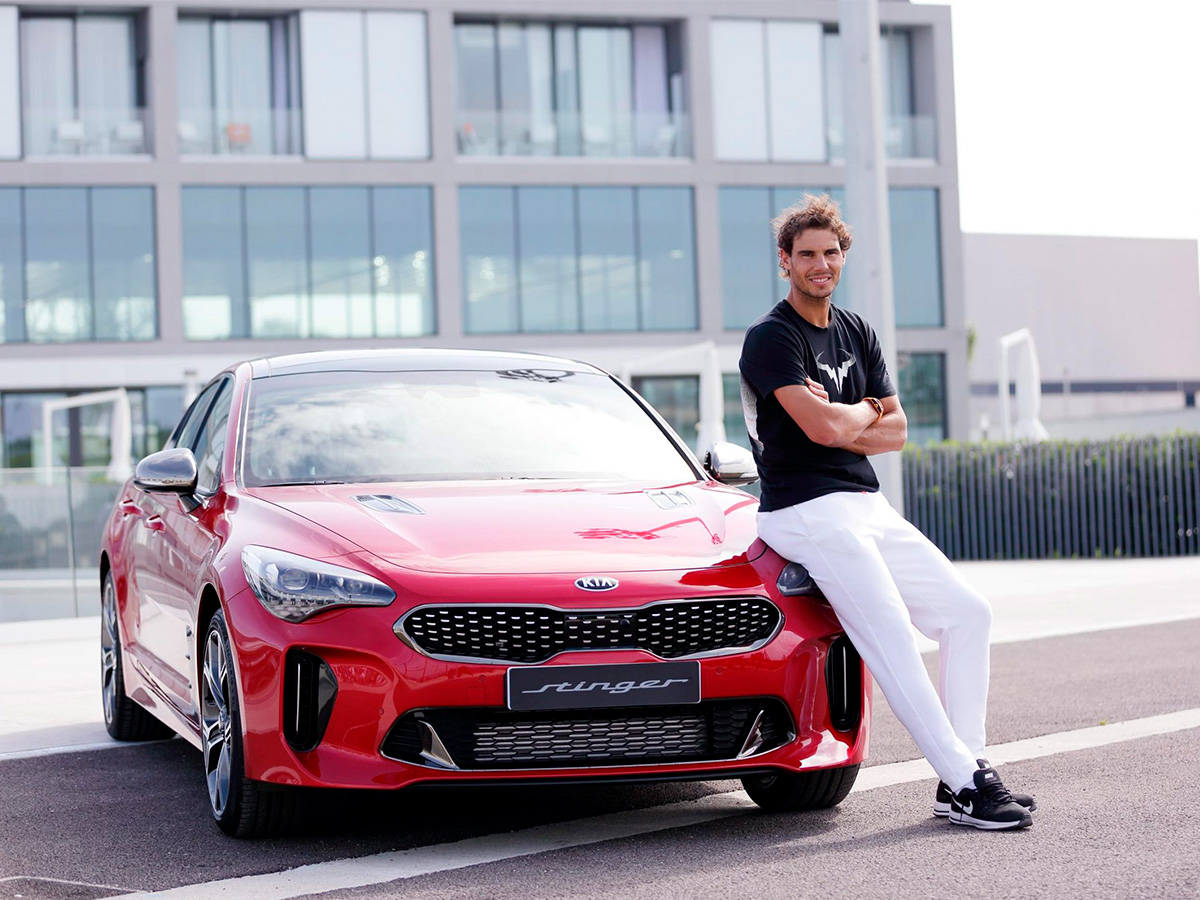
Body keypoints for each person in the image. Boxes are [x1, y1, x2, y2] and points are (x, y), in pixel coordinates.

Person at [738, 194, 1035, 831]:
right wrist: (861, 413)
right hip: (803, 508)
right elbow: (817, 431)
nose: (821, 264)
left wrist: (858, 414)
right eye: (807, 254)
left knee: (967, 614)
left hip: (866, 503)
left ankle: (965, 769)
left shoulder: (857, 331)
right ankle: (967, 784)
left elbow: (897, 432)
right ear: (785, 262)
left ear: (843, 256)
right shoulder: (770, 338)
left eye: (831, 252)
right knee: (893, 635)